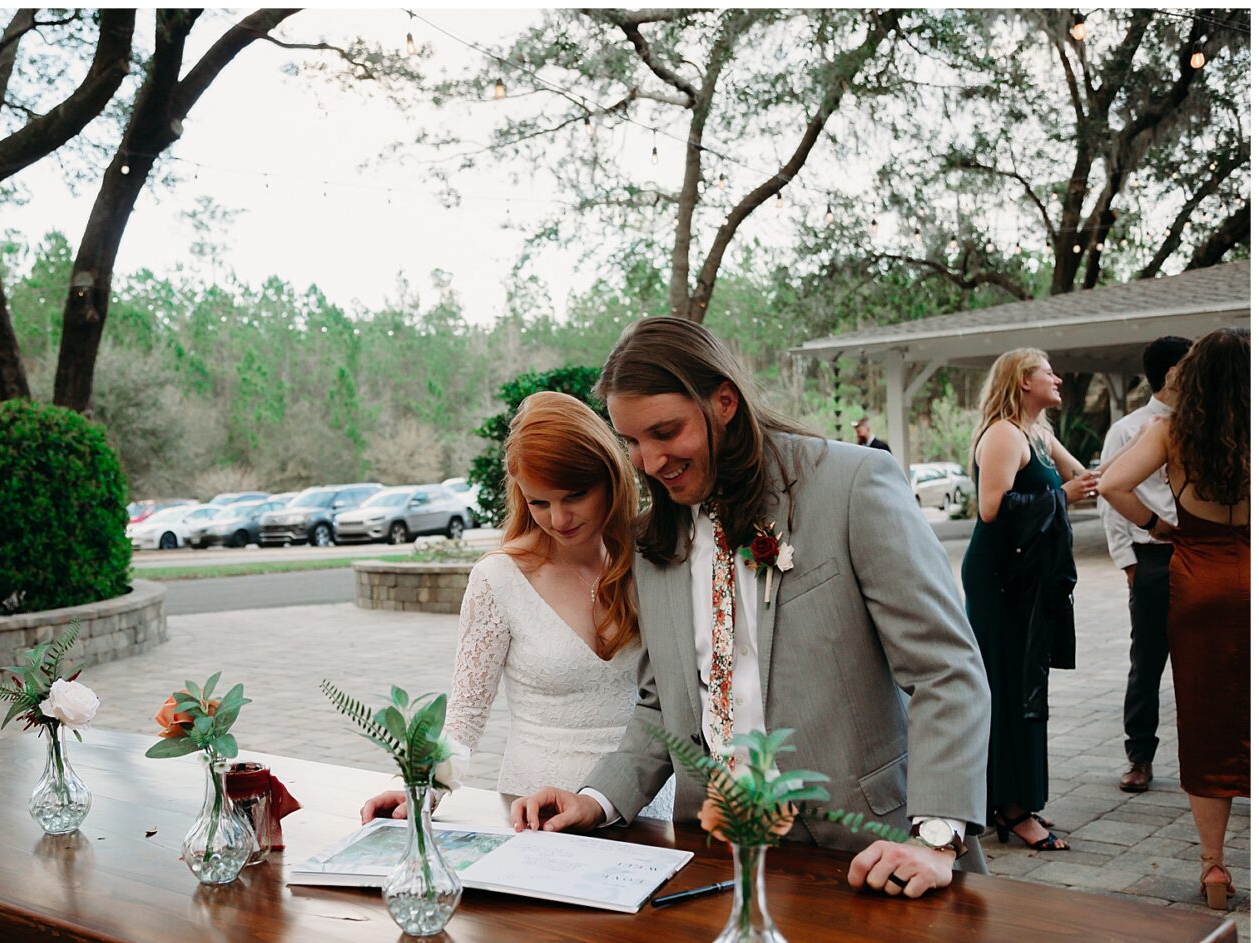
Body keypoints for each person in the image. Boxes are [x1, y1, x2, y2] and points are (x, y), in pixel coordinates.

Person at [511, 316, 990, 902]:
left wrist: (936, 838)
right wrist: (597, 798)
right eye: (632, 442)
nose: (649, 461)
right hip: (715, 858)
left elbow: (946, 670)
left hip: (872, 855)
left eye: (665, 432)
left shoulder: (851, 485)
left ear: (725, 402)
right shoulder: (650, 540)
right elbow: (665, 704)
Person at [360, 391, 651, 819]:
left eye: (574, 495)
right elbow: (466, 715)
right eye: (539, 502)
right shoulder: (498, 578)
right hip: (534, 812)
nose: (559, 519)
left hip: (639, 804)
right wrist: (424, 788)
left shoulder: (650, 560)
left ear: (610, 476)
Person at [1099, 327, 1248, 911]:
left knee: (1205, 717)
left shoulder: (1172, 431)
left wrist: (1161, 528)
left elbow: (1110, 483)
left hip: (1197, 575)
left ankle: (1214, 869)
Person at [961, 349, 1098, 854]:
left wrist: (1067, 481)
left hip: (1027, 577)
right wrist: (1063, 493)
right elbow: (992, 509)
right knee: (1007, 682)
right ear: (1023, 381)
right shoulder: (1001, 434)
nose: (1058, 378)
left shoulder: (1035, 434)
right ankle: (1011, 808)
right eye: (1048, 372)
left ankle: (1017, 798)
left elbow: (1084, 478)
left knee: (1026, 681)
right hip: (999, 579)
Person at [1097, 336, 1192, 793]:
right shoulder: (1128, 429)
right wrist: (1129, 566)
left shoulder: (1208, 424)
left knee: (1209, 658)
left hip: (1201, 551)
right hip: (1152, 557)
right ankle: (1139, 756)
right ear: (1173, 373)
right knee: (1147, 661)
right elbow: (1110, 502)